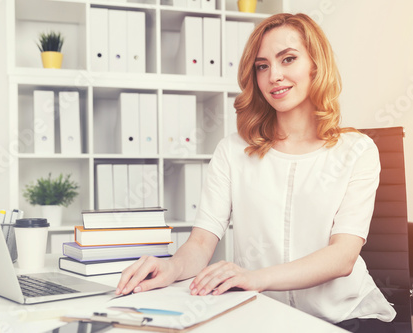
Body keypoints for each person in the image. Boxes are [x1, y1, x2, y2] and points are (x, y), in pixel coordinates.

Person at [116, 13, 396, 333]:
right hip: (262, 317)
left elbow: (342, 257)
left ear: (316, 65)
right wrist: (170, 267)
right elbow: (201, 242)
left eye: (287, 59)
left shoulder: (356, 150)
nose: (274, 75)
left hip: (345, 319)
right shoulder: (233, 151)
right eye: (262, 66)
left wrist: (253, 278)